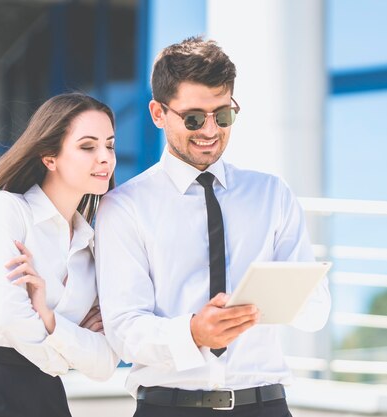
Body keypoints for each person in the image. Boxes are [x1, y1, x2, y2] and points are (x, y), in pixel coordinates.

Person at [95, 36, 331, 416]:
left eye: (223, 116)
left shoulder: (272, 194)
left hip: (264, 403)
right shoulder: (124, 207)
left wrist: (275, 299)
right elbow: (124, 329)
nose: (210, 130)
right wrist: (193, 333)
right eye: (193, 118)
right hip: (169, 407)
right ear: (158, 113)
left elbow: (317, 310)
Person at [0, 92, 120, 417]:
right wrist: (65, 354)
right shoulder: (8, 211)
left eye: (109, 145)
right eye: (87, 146)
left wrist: (48, 317)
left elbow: (104, 363)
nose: (105, 158)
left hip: (47, 397)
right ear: (49, 157)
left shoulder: (92, 248)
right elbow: (7, 314)